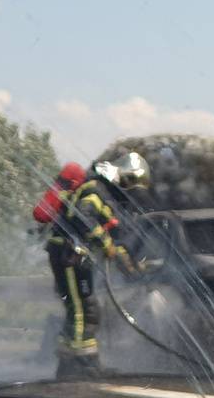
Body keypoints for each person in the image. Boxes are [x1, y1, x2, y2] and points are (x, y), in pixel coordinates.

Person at [35, 154, 149, 375]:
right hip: (69, 254)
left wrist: (130, 263)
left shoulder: (101, 192)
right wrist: (106, 245)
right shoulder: (95, 190)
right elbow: (83, 219)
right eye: (128, 183)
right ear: (121, 176)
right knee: (81, 310)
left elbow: (112, 234)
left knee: (83, 310)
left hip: (73, 255)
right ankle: (80, 365)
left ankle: (72, 363)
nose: (127, 189)